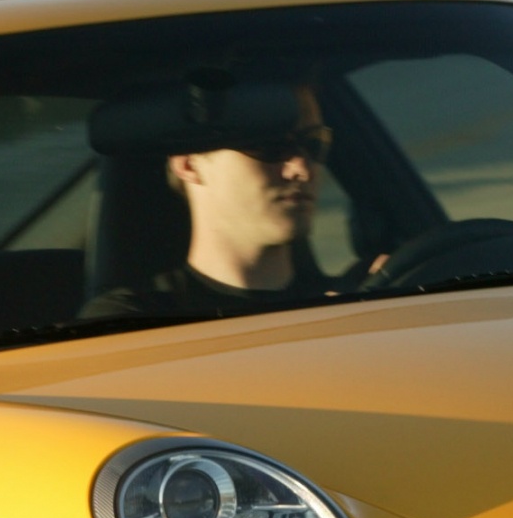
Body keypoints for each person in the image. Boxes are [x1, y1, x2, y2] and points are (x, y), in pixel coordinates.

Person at [82, 70, 333, 326]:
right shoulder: (131, 322)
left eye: (313, 143)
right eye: (270, 145)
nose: (302, 169)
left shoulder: (349, 304)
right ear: (189, 164)